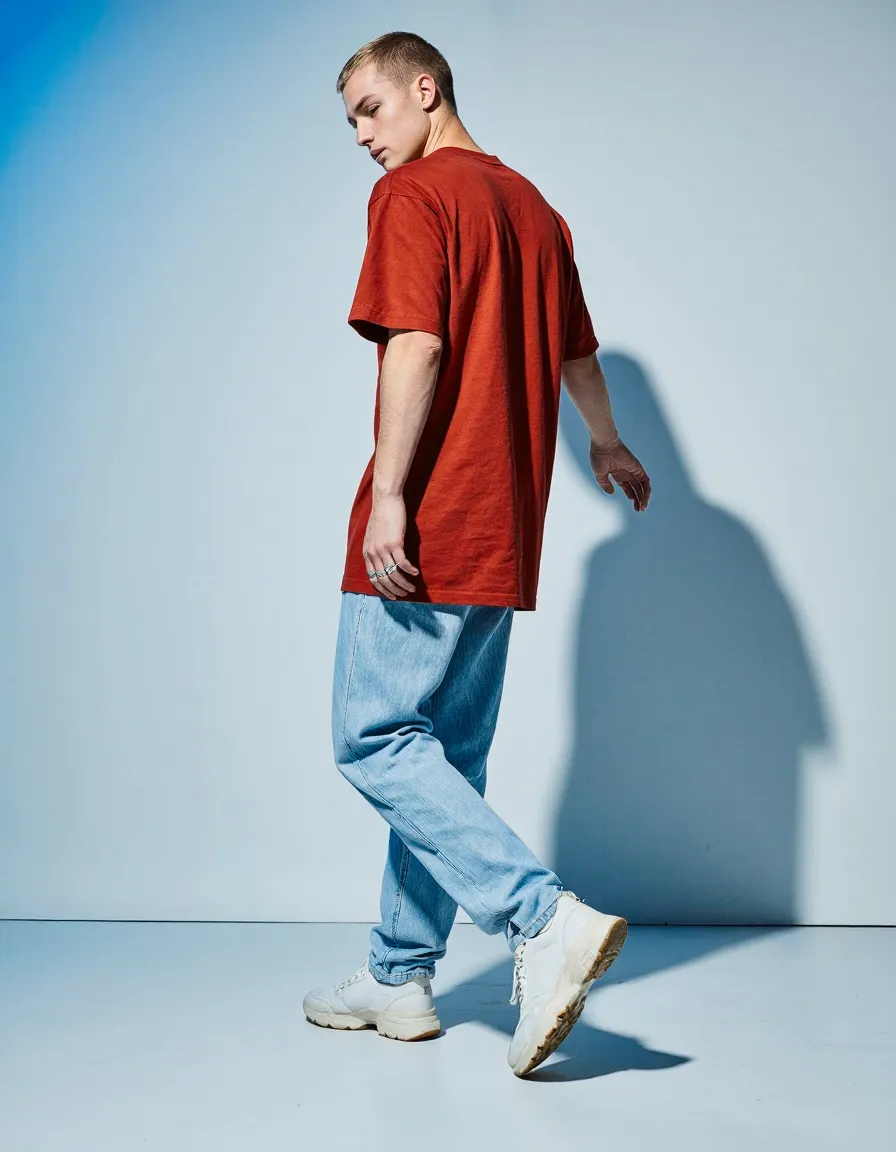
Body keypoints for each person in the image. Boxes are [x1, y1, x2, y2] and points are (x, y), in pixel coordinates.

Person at [302, 30, 651, 1078]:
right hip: (507, 521)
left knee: (372, 739)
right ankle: (400, 973)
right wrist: (604, 438)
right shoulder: (534, 210)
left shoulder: (415, 198)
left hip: (435, 514)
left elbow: (416, 342)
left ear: (424, 88)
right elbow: (574, 350)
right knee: (441, 758)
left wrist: (392, 497)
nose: (361, 135)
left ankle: (539, 921)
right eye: (350, 120)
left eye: (369, 108)